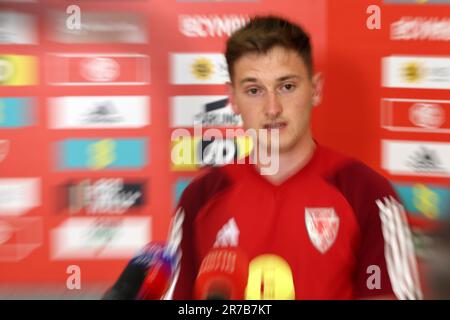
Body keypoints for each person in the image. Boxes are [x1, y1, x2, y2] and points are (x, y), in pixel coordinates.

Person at [165, 15, 423, 300]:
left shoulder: (368, 194)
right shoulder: (199, 199)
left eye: (287, 86)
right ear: (233, 99)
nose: (272, 108)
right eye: (254, 90)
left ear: (315, 89)